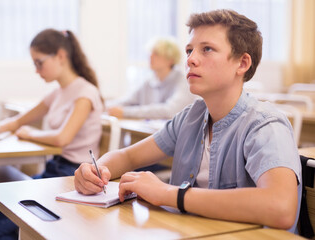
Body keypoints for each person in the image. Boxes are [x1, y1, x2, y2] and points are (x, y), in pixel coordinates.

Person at [74, 9, 301, 233]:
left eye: (207, 49)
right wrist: (96, 170)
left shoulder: (265, 124)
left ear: (242, 64)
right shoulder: (191, 117)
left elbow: (281, 207)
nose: (191, 60)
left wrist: (168, 194)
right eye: (189, 50)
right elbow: (128, 156)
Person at [0, 28, 103, 178]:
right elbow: (19, 121)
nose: (36, 70)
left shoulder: (86, 92)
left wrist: (30, 133)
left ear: (60, 56)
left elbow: (62, 138)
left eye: (39, 63)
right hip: (56, 167)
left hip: (75, 174)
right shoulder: (57, 93)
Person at [107, 37, 196, 119]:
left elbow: (169, 111)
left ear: (170, 60)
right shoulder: (149, 81)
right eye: (151, 53)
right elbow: (126, 101)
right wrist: (104, 107)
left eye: (156, 54)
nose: (150, 56)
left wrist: (125, 112)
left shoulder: (184, 82)